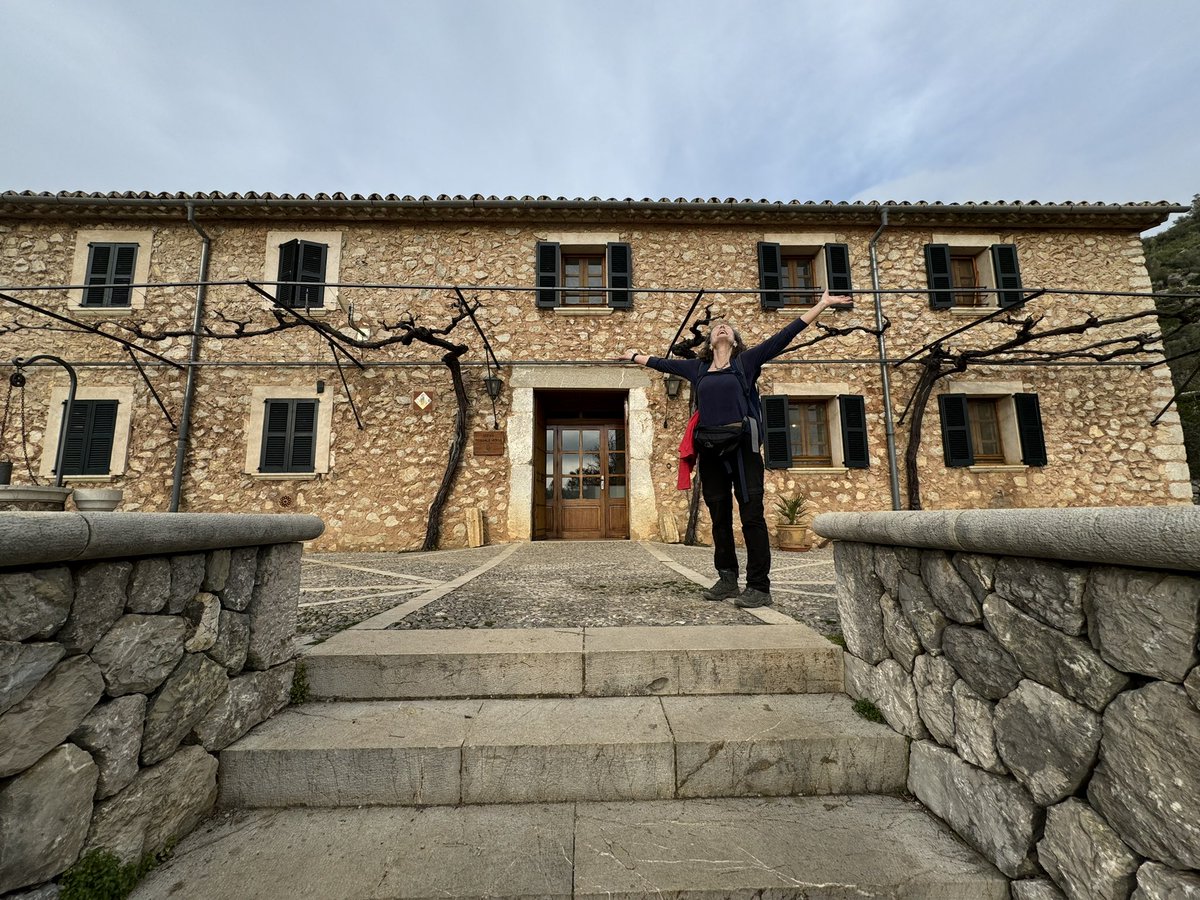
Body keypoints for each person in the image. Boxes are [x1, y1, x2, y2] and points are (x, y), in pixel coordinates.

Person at [620, 288, 846, 607]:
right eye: (716, 328)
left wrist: (821, 304)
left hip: (743, 452)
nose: (721, 328)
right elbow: (661, 364)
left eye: (727, 328)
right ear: (710, 342)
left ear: (736, 341)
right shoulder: (698, 369)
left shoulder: (746, 363)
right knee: (719, 519)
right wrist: (634, 356)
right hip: (711, 452)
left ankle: (759, 587)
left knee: (752, 518)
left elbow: (785, 335)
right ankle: (727, 579)